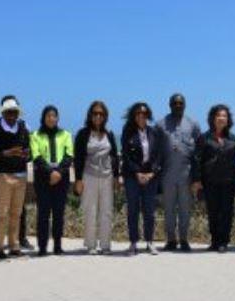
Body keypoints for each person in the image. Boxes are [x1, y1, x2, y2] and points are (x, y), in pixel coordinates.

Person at [0, 95, 31, 260]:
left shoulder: (24, 128)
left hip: (21, 175)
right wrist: (6, 153)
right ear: (3, 113)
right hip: (3, 175)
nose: (12, 115)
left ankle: (14, 246)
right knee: (2, 214)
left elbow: (29, 151)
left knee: (16, 213)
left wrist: (26, 154)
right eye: (8, 112)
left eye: (14, 112)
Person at [74, 101, 120, 255]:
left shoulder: (109, 134)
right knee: (90, 210)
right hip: (89, 176)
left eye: (101, 114)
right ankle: (91, 244)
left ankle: (105, 245)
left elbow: (114, 156)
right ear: (90, 115)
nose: (98, 116)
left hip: (107, 176)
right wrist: (78, 179)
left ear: (105, 116)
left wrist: (116, 177)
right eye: (95, 113)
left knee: (106, 211)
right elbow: (78, 158)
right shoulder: (83, 134)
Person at [156, 93, 201, 252]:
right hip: (167, 172)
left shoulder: (193, 124)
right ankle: (171, 240)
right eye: (175, 103)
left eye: (180, 103)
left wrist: (197, 177)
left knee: (185, 209)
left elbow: (199, 151)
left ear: (185, 105)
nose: (178, 106)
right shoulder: (160, 124)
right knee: (168, 209)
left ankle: (184, 239)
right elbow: (156, 150)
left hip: (186, 173)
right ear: (170, 105)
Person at [191, 104, 235, 252]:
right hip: (210, 181)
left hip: (229, 181)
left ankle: (224, 242)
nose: (221, 118)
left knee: (226, 212)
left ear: (228, 119)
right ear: (213, 118)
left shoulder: (232, 138)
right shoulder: (204, 137)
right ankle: (215, 241)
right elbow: (197, 159)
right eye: (218, 115)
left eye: (224, 116)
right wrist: (197, 180)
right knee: (213, 212)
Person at [30, 105, 73, 256]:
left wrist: (58, 173)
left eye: (54, 115)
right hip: (43, 177)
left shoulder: (65, 134)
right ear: (43, 118)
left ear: (58, 118)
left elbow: (69, 155)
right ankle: (42, 247)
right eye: (48, 115)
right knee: (43, 214)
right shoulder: (35, 135)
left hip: (62, 177)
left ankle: (57, 246)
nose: (51, 118)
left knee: (58, 214)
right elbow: (36, 156)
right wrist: (50, 173)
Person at [122, 101, 162, 255]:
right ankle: (133, 242)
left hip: (151, 176)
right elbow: (126, 155)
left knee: (149, 211)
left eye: (144, 113)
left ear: (148, 115)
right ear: (134, 115)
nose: (141, 116)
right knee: (133, 210)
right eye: (138, 113)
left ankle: (150, 242)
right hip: (132, 177)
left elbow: (159, 155)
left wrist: (152, 173)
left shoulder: (154, 132)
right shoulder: (128, 132)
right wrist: (137, 173)